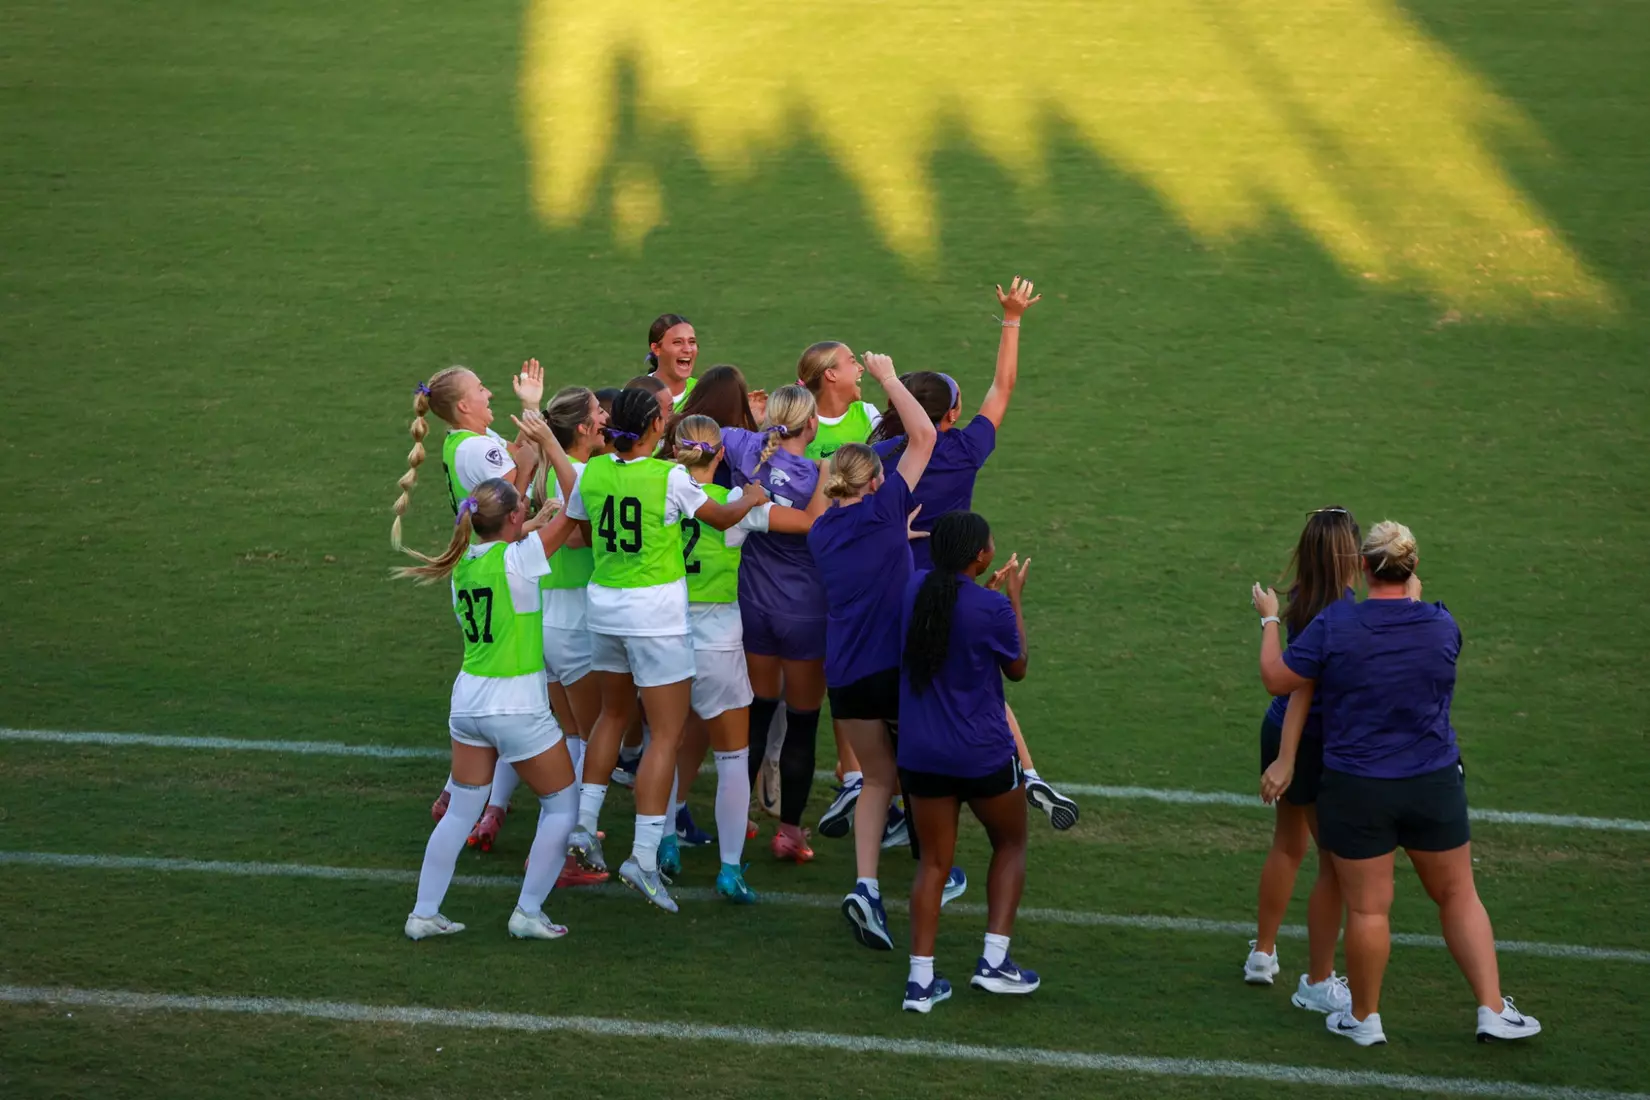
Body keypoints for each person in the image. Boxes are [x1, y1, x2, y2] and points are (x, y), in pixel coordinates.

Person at [1253, 521, 1541, 1046]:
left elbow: (1280, 681)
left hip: (1358, 788)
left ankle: (1365, 1019)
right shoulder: (1441, 626)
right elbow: (1414, 618)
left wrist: (1270, 620)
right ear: (1413, 571)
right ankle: (1493, 1009)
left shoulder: (1336, 625)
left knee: (1367, 908)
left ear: (1362, 568)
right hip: (1432, 784)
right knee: (1458, 895)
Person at [867, 279, 1077, 832]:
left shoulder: (880, 456)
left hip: (897, 590)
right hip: (954, 587)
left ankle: (890, 804)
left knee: (903, 700)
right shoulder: (965, 448)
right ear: (952, 415)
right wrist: (1012, 319)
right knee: (976, 681)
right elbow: (1003, 387)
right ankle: (1024, 772)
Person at [561, 387, 769, 912]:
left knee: (611, 716)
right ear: (656, 426)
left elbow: (583, 531)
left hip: (603, 609)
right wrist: (750, 497)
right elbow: (721, 520)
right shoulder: (669, 477)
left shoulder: (594, 473)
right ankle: (644, 856)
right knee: (668, 734)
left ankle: (584, 826)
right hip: (655, 617)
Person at [807, 354, 967, 949]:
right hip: (893, 667)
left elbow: (855, 539)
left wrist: (892, 538)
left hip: (845, 674)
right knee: (922, 774)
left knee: (876, 780)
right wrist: (888, 378)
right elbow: (922, 435)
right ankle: (940, 869)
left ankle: (866, 886)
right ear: (876, 482)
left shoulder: (823, 530)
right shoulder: (886, 507)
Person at [395, 471, 583, 943]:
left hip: (469, 703)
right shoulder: (520, 559)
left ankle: (424, 912)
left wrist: (530, 520)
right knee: (562, 805)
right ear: (514, 518)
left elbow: (511, 546)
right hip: (517, 703)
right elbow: (579, 503)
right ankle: (528, 911)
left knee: (461, 811)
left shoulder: (463, 563)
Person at [673, 414, 827, 900]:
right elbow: (807, 522)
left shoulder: (659, 491)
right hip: (718, 637)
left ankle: (659, 845)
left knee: (666, 745)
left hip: (664, 631)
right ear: (719, 456)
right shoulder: (735, 507)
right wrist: (819, 477)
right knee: (734, 755)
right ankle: (730, 868)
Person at [398, 361, 552, 826]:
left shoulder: (465, 443)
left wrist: (530, 408)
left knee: (498, 679)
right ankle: (479, 799)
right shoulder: (474, 452)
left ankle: (464, 795)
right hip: (497, 568)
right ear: (463, 405)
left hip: (483, 564)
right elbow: (513, 502)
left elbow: (518, 455)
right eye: (481, 389)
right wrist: (526, 468)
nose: (489, 394)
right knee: (510, 682)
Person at [897, 511, 1037, 1013]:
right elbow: (1017, 668)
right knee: (1012, 843)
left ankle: (920, 982)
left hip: (920, 752)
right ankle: (994, 963)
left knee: (933, 864)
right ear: (980, 556)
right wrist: (1012, 600)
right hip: (980, 752)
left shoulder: (915, 590)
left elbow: (946, 610)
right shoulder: (991, 609)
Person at [1241, 507, 1356, 1018]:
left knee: (1288, 846)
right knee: (1332, 865)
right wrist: (1288, 759)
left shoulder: (1301, 602)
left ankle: (1263, 953)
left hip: (1281, 727)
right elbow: (1305, 688)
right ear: (1347, 556)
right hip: (1308, 742)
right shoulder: (1342, 611)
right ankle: (1321, 978)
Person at [719, 385, 829, 861]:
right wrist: (826, 475)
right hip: (805, 612)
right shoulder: (816, 475)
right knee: (802, 724)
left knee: (758, 714)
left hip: (753, 609)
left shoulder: (744, 447)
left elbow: (698, 433)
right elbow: (819, 524)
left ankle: (737, 819)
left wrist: (754, 420)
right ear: (812, 425)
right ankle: (789, 832)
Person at [797, 342, 883, 459]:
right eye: (852, 361)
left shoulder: (868, 413)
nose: (861, 368)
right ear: (831, 374)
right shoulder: (798, 422)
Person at [646, 313, 699, 410]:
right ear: (656, 349)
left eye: (692, 342)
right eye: (677, 342)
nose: (688, 349)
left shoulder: (704, 394)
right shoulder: (635, 396)